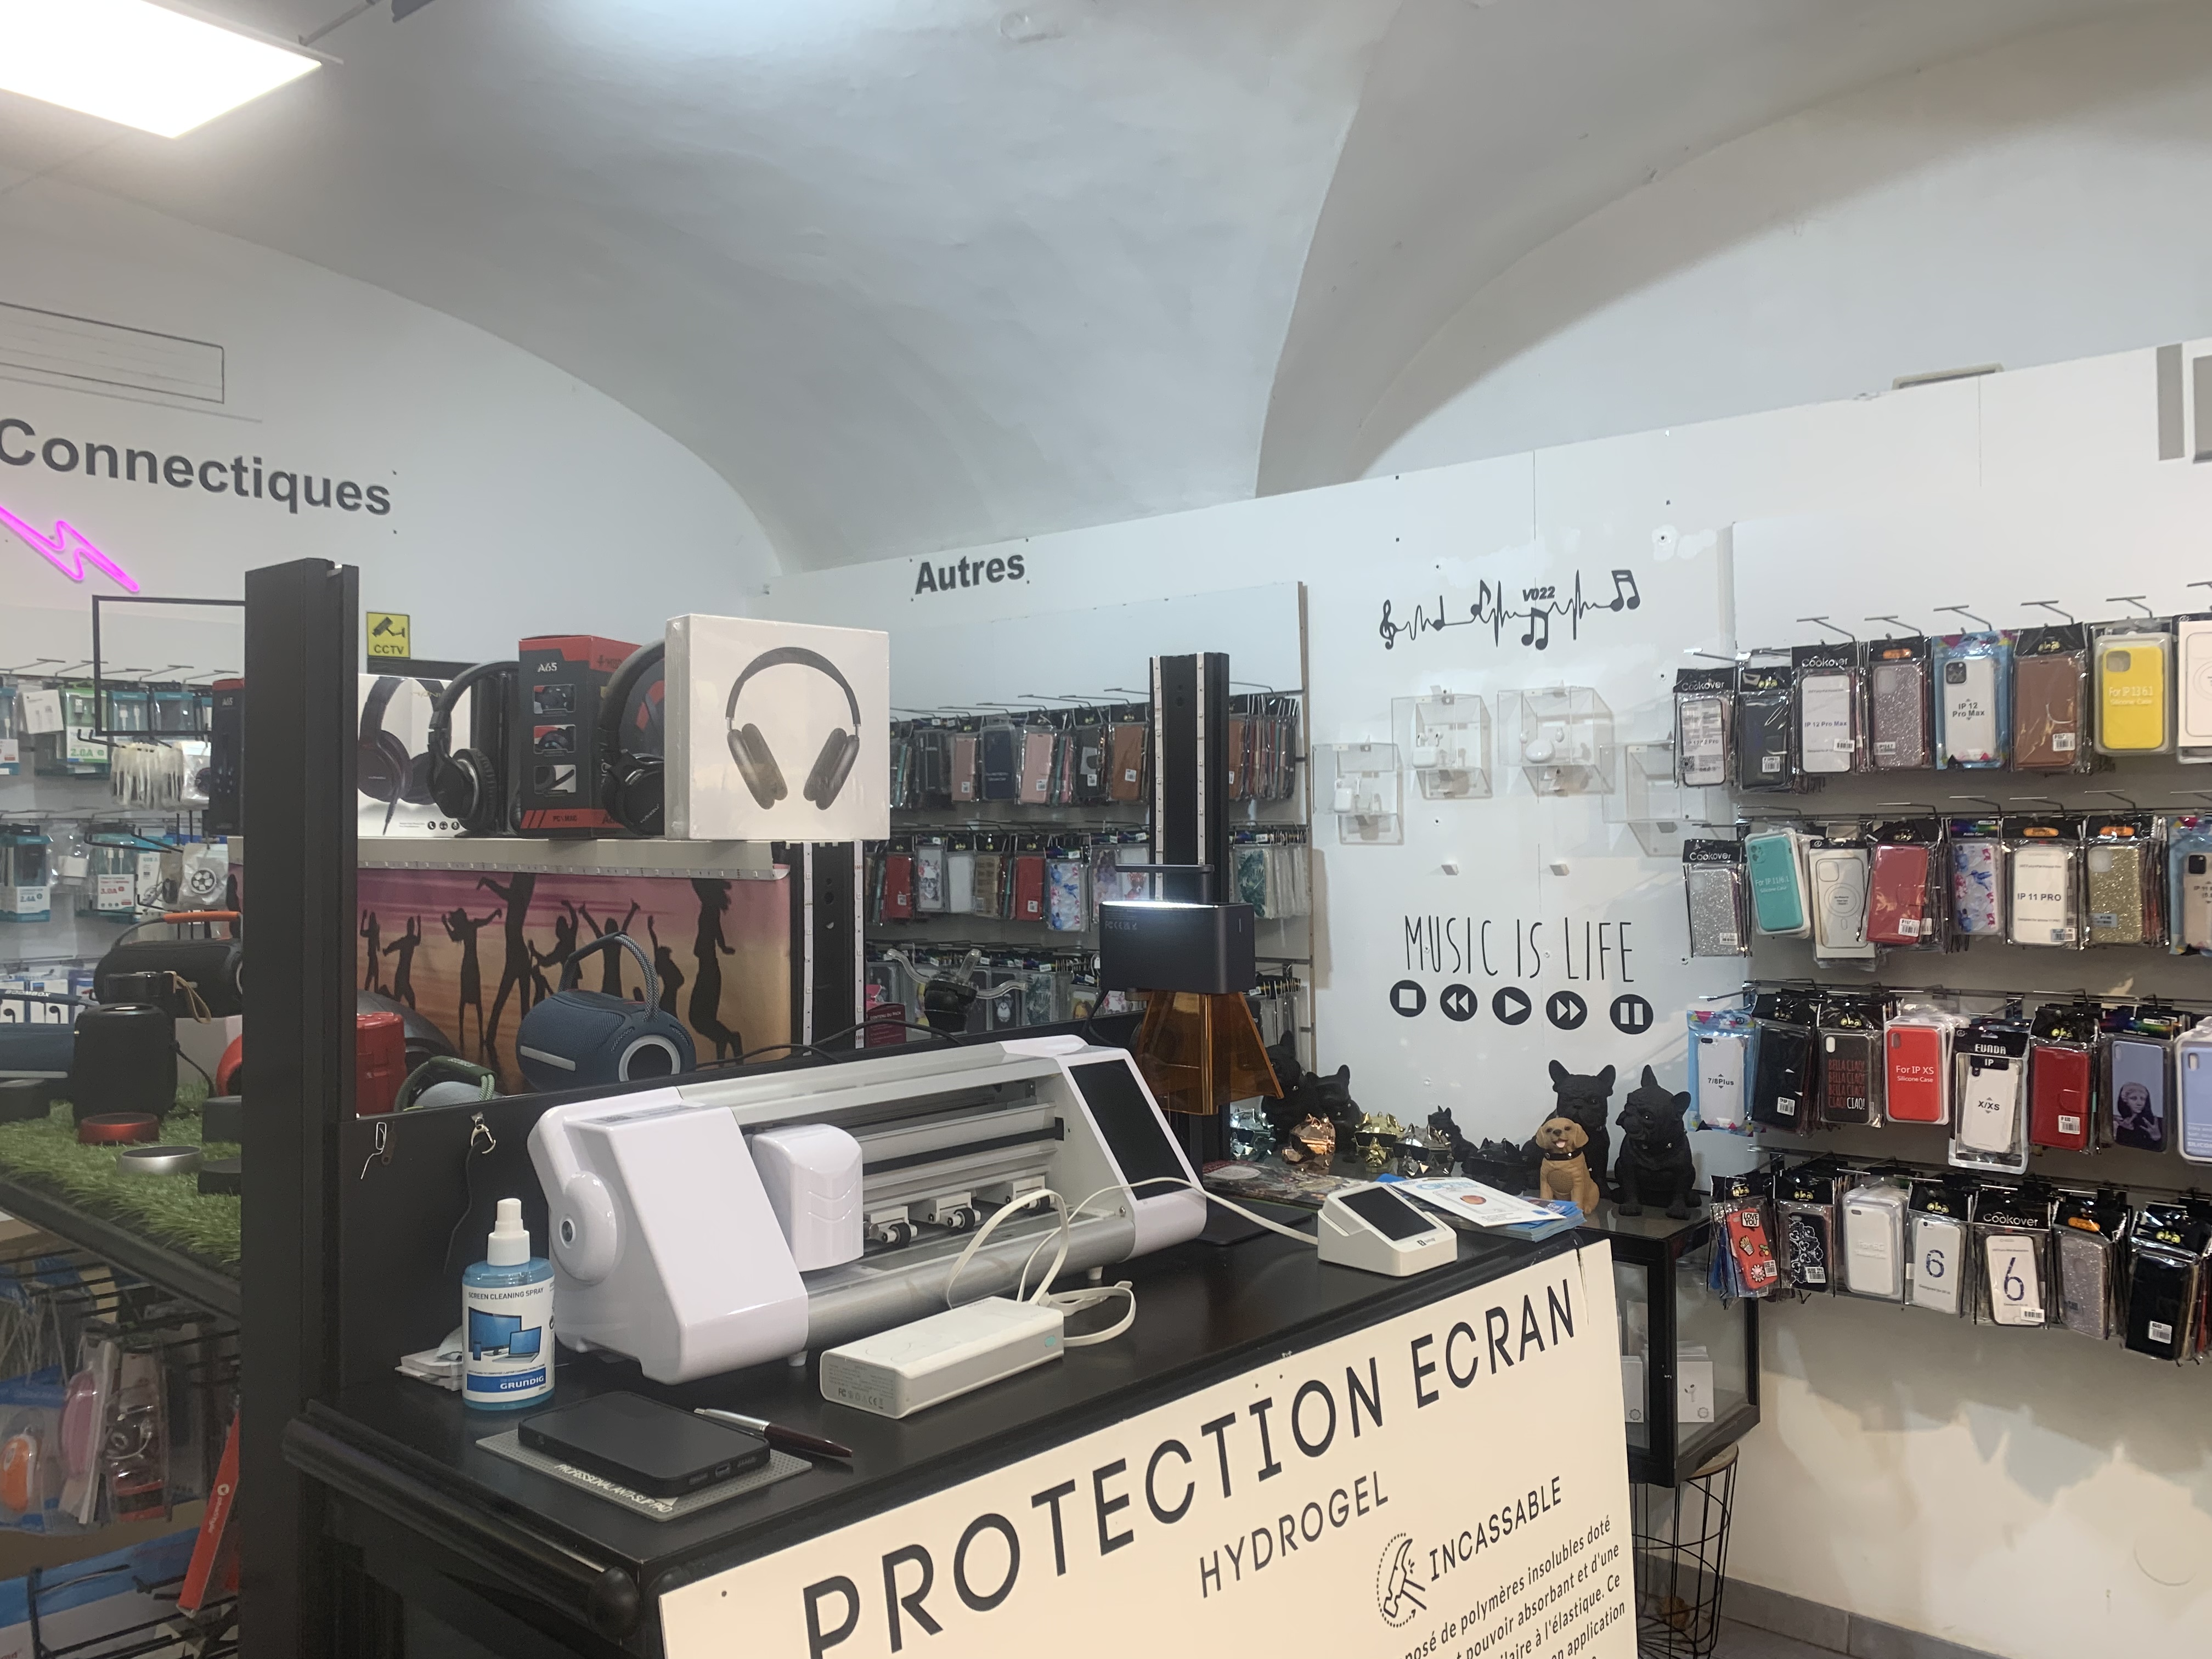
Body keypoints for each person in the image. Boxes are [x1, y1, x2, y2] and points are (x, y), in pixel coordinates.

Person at [478, 874, 540, 1056]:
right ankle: (492, 1039)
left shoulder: (518, 898)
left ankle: (523, 1042)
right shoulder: (518, 898)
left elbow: (505, 893)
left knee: (511, 1001)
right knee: (510, 1001)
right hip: (515, 954)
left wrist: (488, 882)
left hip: (517, 956)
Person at [687, 878, 743, 1061]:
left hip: (709, 970)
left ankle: (729, 1038)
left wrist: (722, 946)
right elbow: (717, 930)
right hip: (708, 967)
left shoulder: (710, 909)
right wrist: (723, 946)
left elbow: (697, 884)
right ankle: (724, 1040)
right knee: (703, 1017)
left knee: (698, 1018)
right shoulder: (710, 909)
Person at [443, 905, 501, 1059]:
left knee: (467, 1001)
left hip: (469, 965)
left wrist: (446, 924)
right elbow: (485, 922)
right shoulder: (470, 926)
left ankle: (467, 1034)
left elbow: (454, 936)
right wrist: (494, 913)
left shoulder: (467, 928)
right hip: (472, 965)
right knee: (474, 1002)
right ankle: (474, 1034)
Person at [381, 915, 423, 1009]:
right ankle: (384, 992)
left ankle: (384, 992)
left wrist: (387, 951)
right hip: (402, 976)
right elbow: (394, 945)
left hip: (402, 975)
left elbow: (418, 941)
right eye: (411, 926)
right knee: (409, 1000)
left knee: (398, 1000)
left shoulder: (409, 940)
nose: (411, 928)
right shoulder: (407, 941)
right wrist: (387, 951)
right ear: (409, 928)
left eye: (412, 926)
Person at [647, 915, 685, 1019]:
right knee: (669, 1016)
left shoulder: (664, 963)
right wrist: (650, 929)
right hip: (669, 995)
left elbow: (655, 943)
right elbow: (655, 943)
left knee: (669, 1016)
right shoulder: (664, 963)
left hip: (669, 994)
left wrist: (650, 928)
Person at [360, 910, 383, 994]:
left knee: (372, 976)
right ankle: (370, 992)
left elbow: (362, 933)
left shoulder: (372, 931)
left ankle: (368, 992)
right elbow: (377, 940)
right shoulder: (375, 930)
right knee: (373, 976)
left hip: (372, 956)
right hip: (373, 956)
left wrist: (363, 919)